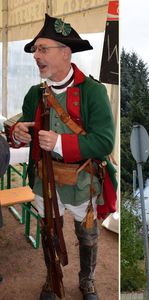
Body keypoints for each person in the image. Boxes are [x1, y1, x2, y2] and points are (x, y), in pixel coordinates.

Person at [7, 14, 117, 300]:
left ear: (66, 53)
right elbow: (22, 126)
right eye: (35, 50)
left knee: (88, 236)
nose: (36, 56)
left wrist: (59, 141)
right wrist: (18, 132)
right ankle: (51, 278)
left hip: (82, 179)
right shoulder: (35, 94)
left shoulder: (93, 92)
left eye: (43, 49)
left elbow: (104, 142)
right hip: (46, 178)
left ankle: (87, 280)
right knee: (50, 232)